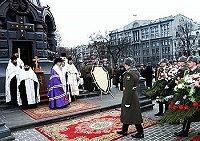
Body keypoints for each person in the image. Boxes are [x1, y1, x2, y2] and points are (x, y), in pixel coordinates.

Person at [117, 57, 144, 138]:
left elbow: (128, 89)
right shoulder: (135, 72)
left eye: (125, 64)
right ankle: (124, 130)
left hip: (130, 97)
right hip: (133, 95)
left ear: (127, 65)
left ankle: (140, 132)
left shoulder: (129, 74)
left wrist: (127, 101)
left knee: (134, 115)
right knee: (126, 114)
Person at [174, 56, 200, 137]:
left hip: (197, 95)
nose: (188, 63)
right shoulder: (187, 72)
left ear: (194, 62)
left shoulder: (199, 71)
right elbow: (185, 81)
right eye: (188, 62)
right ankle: (185, 131)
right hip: (188, 95)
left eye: (189, 62)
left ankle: (185, 131)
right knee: (186, 112)